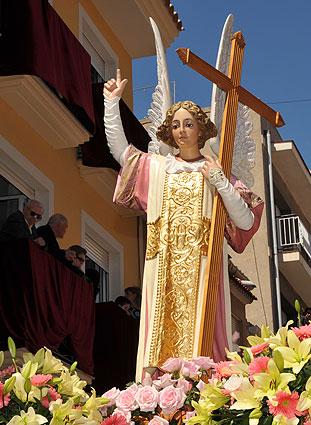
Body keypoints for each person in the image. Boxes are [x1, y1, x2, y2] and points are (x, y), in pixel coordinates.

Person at [104, 69, 264, 378]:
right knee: (157, 338)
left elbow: (244, 222)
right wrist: (111, 104)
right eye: (175, 124)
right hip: (162, 266)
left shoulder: (214, 170)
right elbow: (121, 153)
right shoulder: (160, 167)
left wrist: (221, 183)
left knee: (202, 338)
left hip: (203, 269)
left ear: (201, 129)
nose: (181, 130)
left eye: (188, 124)